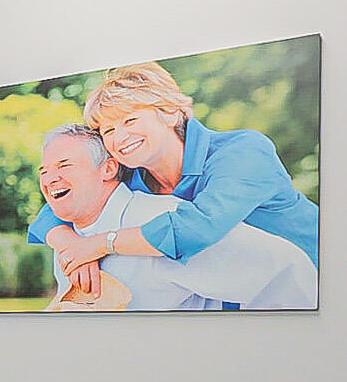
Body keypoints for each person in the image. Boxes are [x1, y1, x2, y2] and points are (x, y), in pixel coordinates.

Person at [29, 62, 319, 289]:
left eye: (130, 120)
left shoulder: (243, 152)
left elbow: (197, 228)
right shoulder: (132, 172)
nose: (119, 138)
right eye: (108, 130)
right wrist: (72, 248)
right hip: (232, 305)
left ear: (168, 112)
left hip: (313, 285)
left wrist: (97, 244)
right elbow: (63, 202)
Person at [35, 125, 317, 310]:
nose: (50, 179)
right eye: (44, 171)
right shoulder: (69, 236)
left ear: (108, 169)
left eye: (64, 165)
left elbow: (286, 270)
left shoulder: (161, 218)